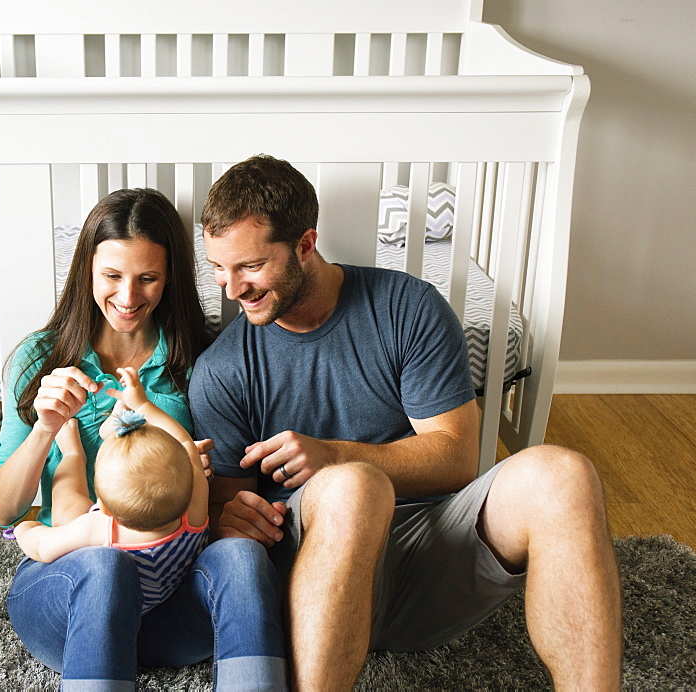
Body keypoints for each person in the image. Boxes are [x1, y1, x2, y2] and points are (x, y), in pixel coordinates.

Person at [189, 155, 622, 690]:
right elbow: (229, 514)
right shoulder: (222, 370)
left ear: (305, 244)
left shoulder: (406, 308)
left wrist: (336, 454)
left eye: (250, 266)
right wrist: (231, 519)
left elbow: (459, 458)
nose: (231, 289)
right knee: (353, 489)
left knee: (563, 474)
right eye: (217, 268)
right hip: (310, 576)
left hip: (426, 557)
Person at [0, 187, 286, 688]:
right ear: (88, 272)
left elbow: (219, 486)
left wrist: (205, 478)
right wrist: (46, 429)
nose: (127, 298)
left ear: (169, 279)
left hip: (173, 600)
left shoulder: (201, 361)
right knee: (106, 568)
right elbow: (3, 512)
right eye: (112, 276)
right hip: (73, 599)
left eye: (147, 278)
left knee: (242, 557)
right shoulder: (39, 359)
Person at [12, 367, 210, 616]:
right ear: (191, 481)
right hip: (161, 598)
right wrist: (142, 403)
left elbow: (42, 547)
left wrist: (25, 529)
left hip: (110, 604)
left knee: (67, 509)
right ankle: (117, 422)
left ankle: (73, 452)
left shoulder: (99, 527)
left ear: (102, 508)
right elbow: (184, 444)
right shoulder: (194, 512)